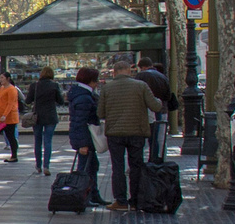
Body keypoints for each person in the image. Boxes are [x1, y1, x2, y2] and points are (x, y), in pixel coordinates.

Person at [98, 57, 157, 207]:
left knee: (117, 167)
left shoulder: (106, 88)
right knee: (136, 166)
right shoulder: (141, 86)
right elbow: (155, 106)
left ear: (114, 73)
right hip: (136, 131)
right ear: (130, 72)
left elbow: (100, 113)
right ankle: (136, 200)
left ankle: (120, 201)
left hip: (115, 133)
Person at [66, 65, 105, 206]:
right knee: (86, 168)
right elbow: (80, 122)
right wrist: (82, 144)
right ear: (91, 81)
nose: (97, 83)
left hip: (84, 137)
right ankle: (83, 195)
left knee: (91, 165)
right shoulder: (85, 98)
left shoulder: (81, 94)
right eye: (96, 80)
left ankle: (92, 194)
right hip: (85, 138)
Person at [138, 62, 177, 161]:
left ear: (143, 67)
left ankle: (141, 161)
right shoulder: (162, 77)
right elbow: (168, 95)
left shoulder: (141, 77)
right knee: (158, 136)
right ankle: (158, 158)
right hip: (161, 109)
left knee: (141, 137)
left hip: (143, 110)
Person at [29, 67, 61, 177]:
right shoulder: (54, 85)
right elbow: (60, 101)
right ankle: (46, 166)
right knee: (48, 141)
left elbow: (28, 100)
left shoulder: (35, 86)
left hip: (37, 117)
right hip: (51, 116)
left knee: (37, 141)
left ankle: (38, 165)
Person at [0, 73, 23, 162]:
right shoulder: (2, 88)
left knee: (10, 137)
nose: (0, 79)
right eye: (0, 78)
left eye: (2, 78)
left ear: (8, 79)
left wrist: (5, 115)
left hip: (8, 118)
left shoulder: (12, 89)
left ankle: (14, 156)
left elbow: (10, 104)